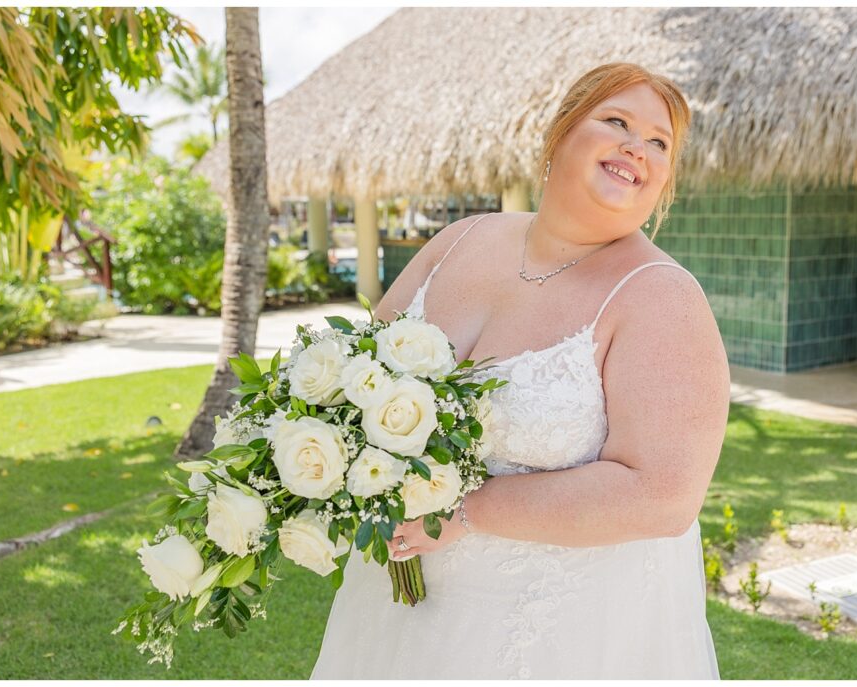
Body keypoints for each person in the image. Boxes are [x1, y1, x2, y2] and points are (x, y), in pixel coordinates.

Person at [310, 62, 729, 680]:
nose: (637, 147)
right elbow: (356, 376)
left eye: (659, 142)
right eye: (616, 121)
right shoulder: (460, 239)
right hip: (395, 608)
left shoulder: (662, 296)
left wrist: (464, 510)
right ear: (560, 134)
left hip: (557, 636)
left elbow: (662, 496)